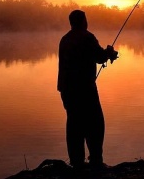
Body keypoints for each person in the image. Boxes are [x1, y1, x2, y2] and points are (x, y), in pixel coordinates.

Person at [57, 10, 118, 170]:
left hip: (67, 90)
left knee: (74, 124)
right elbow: (99, 57)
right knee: (95, 124)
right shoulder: (87, 37)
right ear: (83, 21)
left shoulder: (65, 39)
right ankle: (95, 161)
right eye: (85, 19)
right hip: (84, 89)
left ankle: (76, 162)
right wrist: (109, 53)